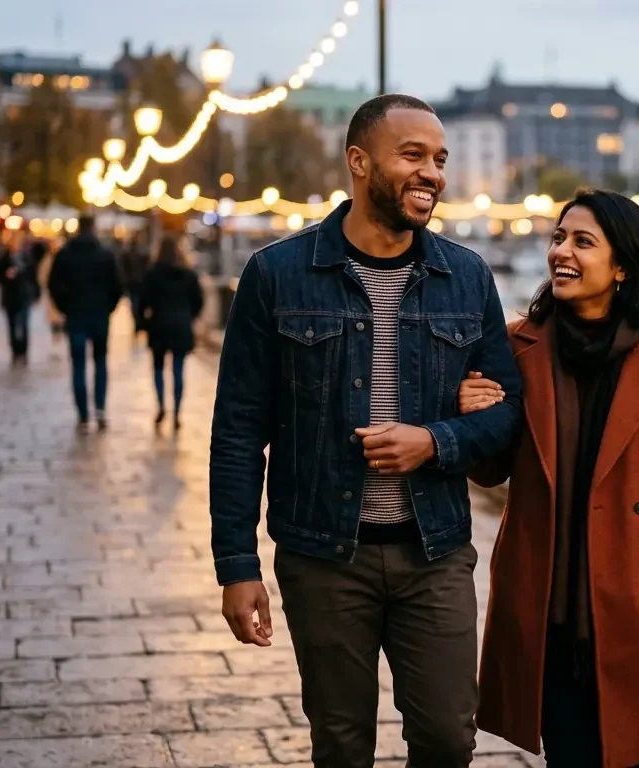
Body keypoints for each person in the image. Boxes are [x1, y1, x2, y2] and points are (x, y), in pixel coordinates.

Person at [209, 93, 522, 768]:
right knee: (342, 745)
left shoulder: (466, 277)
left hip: (434, 551)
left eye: (439, 159)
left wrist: (437, 440)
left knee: (447, 737)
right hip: (323, 555)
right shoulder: (276, 274)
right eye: (413, 155)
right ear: (358, 161)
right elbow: (238, 430)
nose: (433, 173)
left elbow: (510, 414)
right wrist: (237, 565)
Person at [458, 189, 639, 768]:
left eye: (583, 242)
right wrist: (472, 418)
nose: (562, 253)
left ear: (622, 264)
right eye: (558, 238)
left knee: (629, 755)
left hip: (630, 598)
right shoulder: (518, 344)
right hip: (544, 600)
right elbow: (490, 466)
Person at [47, 216, 123, 431]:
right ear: (94, 229)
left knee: (78, 365)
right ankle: (99, 407)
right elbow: (117, 286)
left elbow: (53, 284)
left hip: (76, 316)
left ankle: (82, 414)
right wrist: (108, 308)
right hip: (99, 316)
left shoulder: (65, 254)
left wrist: (65, 307)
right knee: (100, 362)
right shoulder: (105, 254)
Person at [140, 235, 203, 429]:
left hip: (159, 325)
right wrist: (188, 316)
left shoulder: (152, 273)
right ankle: (176, 412)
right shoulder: (188, 274)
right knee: (178, 370)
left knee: (158, 368)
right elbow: (198, 300)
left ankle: (161, 406)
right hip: (181, 326)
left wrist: (144, 322)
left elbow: (143, 301)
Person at [0, 233, 40, 367]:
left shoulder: (27, 257)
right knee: (12, 325)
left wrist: (36, 293)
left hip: (24, 296)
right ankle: (15, 351)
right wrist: (6, 275)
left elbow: (33, 276)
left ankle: (23, 351)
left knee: (23, 324)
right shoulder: (4, 257)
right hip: (10, 297)